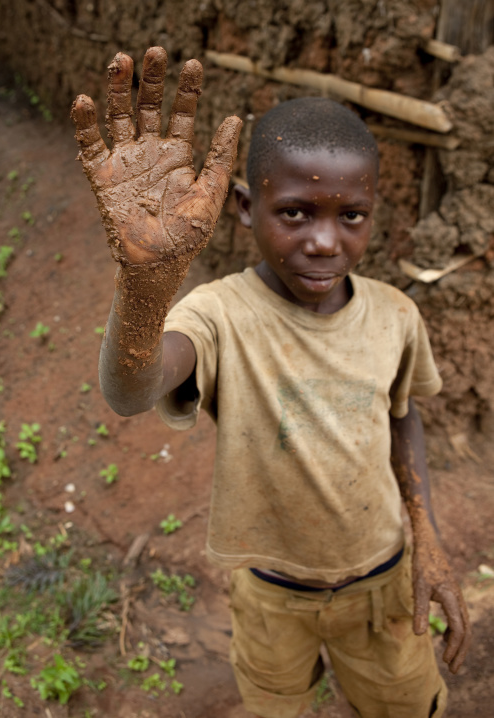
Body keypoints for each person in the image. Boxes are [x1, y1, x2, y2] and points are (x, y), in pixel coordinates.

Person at [72, 46, 470, 718]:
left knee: (407, 704)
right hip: (271, 593)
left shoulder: (396, 316)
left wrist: (427, 542)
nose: (324, 241)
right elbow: (130, 390)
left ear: (375, 210)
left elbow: (403, 414)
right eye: (295, 212)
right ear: (244, 207)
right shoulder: (221, 316)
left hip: (382, 583)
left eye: (350, 216)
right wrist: (145, 285)